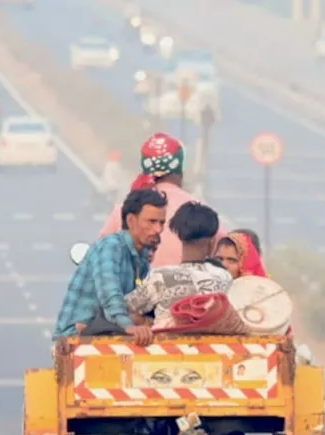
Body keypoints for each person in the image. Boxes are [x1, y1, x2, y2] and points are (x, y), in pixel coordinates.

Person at [55, 188, 167, 345]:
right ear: (131, 221)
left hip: (110, 330)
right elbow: (110, 296)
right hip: (75, 339)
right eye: (152, 222)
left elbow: (138, 302)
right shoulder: (111, 246)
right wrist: (130, 327)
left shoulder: (142, 256)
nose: (159, 230)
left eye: (162, 223)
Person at [98, 133, 227, 267]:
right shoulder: (201, 213)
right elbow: (224, 252)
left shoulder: (123, 212)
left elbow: (100, 258)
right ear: (180, 171)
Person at [126, 201, 239, 329]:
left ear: (180, 236)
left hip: (166, 347)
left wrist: (145, 322)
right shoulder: (225, 277)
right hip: (217, 347)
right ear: (212, 242)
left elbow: (124, 310)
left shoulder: (159, 277)